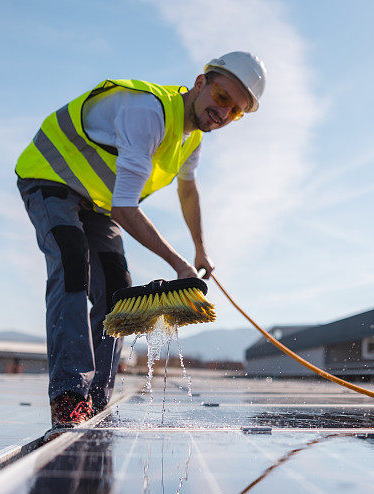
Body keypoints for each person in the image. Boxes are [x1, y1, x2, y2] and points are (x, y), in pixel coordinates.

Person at [15, 51, 267, 430]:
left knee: (118, 289)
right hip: (51, 176)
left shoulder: (191, 140)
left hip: (96, 202)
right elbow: (125, 209)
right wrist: (179, 264)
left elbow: (188, 191)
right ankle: (69, 395)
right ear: (201, 83)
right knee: (72, 264)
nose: (224, 113)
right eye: (222, 98)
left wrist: (200, 249)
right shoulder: (148, 114)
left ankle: (96, 399)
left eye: (236, 112)